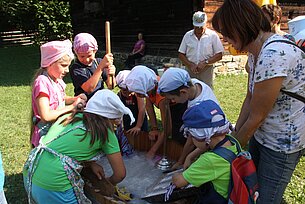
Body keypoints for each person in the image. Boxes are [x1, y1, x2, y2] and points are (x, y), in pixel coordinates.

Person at [211, 0, 305, 203]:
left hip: (282, 143)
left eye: (226, 32)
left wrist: (228, 151)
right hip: (262, 135)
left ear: (239, 27)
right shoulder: (256, 52)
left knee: (266, 199)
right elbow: (249, 98)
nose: (224, 38)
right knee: (248, 188)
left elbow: (257, 117)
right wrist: (234, 138)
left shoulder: (273, 54)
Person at [23, 89, 134, 203]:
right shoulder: (106, 133)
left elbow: (65, 147)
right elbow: (120, 174)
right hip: (54, 184)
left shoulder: (68, 117)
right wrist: (107, 184)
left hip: (31, 173)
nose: (114, 126)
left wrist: (91, 164)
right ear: (110, 118)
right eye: (115, 123)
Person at [172, 100, 237, 203]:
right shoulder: (232, 142)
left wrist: (175, 176)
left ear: (201, 136)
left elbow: (179, 182)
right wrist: (190, 156)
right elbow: (207, 146)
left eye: (191, 136)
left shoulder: (209, 160)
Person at [158, 67, 219, 170]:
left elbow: (193, 141)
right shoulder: (194, 84)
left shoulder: (199, 109)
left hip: (214, 149)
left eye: (173, 99)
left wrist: (184, 159)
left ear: (183, 92)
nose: (173, 101)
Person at [31, 39, 87, 147]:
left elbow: (60, 98)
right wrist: (72, 107)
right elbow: (46, 116)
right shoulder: (42, 82)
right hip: (45, 136)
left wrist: (75, 99)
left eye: (68, 66)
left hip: (56, 130)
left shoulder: (56, 80)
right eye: (63, 65)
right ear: (50, 63)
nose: (67, 70)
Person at [178, 11, 224, 89]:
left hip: (206, 70)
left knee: (206, 90)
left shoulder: (212, 36)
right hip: (190, 70)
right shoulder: (187, 35)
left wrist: (205, 63)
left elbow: (219, 55)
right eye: (196, 27)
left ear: (206, 24)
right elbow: (181, 54)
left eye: (201, 27)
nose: (199, 30)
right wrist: (190, 64)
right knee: (189, 91)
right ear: (193, 25)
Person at [70, 33, 116, 99]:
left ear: (95, 51)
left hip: (99, 101)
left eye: (89, 55)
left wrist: (111, 75)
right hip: (85, 104)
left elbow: (111, 86)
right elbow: (88, 89)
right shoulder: (76, 68)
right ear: (76, 53)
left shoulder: (98, 62)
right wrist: (100, 67)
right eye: (82, 56)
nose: (86, 59)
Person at [116, 70, 148, 135]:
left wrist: (138, 126)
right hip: (127, 122)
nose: (128, 93)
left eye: (130, 90)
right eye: (124, 90)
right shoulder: (119, 96)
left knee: (141, 139)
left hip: (139, 121)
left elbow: (142, 109)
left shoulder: (137, 94)